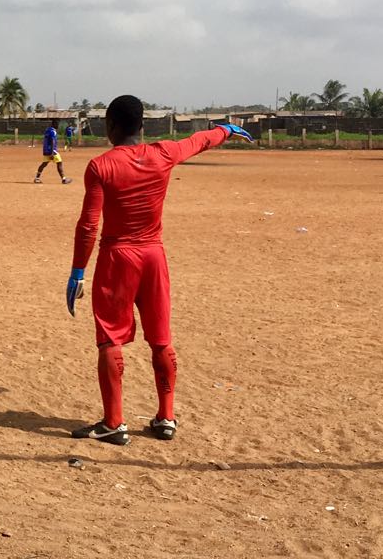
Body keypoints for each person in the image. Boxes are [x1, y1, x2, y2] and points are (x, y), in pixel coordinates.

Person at [65, 95, 253, 445]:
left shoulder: (100, 166)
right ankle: (166, 417)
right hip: (154, 256)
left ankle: (114, 423)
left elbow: (89, 225)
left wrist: (78, 271)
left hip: (117, 258)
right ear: (142, 125)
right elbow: (197, 142)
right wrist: (225, 130)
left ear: (110, 125)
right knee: (161, 338)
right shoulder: (163, 152)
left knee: (110, 339)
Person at [35, 120, 72, 185]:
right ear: (54, 125)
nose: (58, 126)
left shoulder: (47, 130)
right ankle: (64, 179)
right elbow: (52, 141)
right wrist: (52, 153)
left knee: (44, 164)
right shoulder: (53, 131)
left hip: (46, 150)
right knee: (59, 163)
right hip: (52, 151)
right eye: (57, 125)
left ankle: (37, 178)